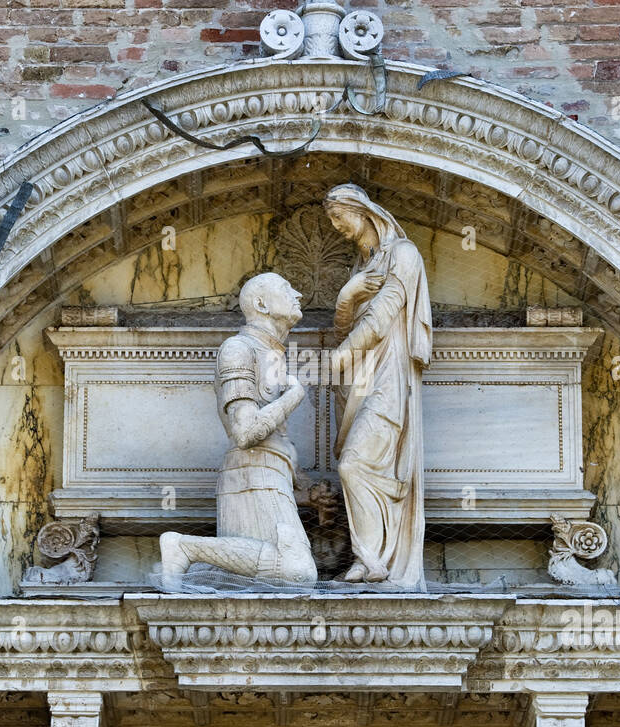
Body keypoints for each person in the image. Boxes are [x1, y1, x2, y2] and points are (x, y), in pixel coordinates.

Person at [158, 272, 318, 589]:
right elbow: (245, 432)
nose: (298, 293)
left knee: (289, 579)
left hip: (269, 476)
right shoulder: (238, 349)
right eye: (287, 288)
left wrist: (307, 488)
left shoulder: (270, 353)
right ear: (260, 303)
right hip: (251, 477)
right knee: (297, 573)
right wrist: (293, 397)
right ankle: (185, 547)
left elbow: (276, 437)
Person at [324, 184, 432, 588]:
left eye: (339, 216)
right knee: (357, 464)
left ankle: (375, 560)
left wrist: (340, 358)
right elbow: (342, 330)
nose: (337, 226)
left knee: (354, 464)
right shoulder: (360, 269)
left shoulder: (403, 254)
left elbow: (384, 315)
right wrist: (346, 296)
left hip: (389, 377)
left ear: (361, 210)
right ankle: (370, 558)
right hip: (361, 382)